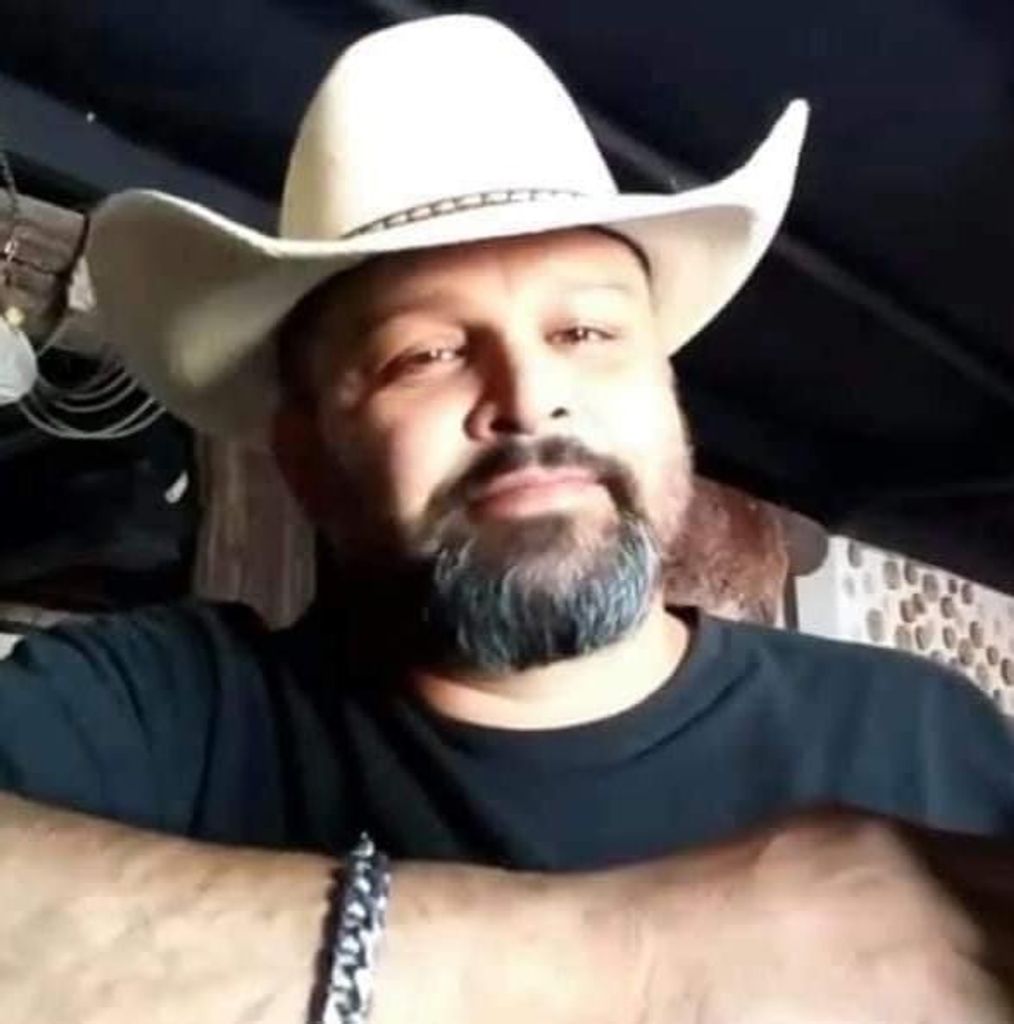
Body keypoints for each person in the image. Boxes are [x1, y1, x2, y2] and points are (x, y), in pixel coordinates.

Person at [1, 14, 1012, 1024]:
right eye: (426, 355)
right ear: (309, 459)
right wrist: (644, 955)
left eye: (587, 331)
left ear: (668, 396)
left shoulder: (927, 735)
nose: (530, 398)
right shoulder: (157, 717)